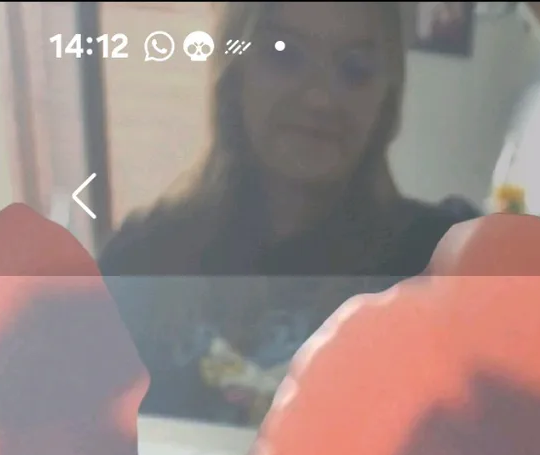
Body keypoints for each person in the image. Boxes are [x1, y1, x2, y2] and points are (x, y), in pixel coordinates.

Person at [100, 2, 476, 423]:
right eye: (284, 54)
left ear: (386, 96)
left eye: (355, 69)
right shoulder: (141, 262)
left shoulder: (443, 270)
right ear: (235, 72)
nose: (320, 98)